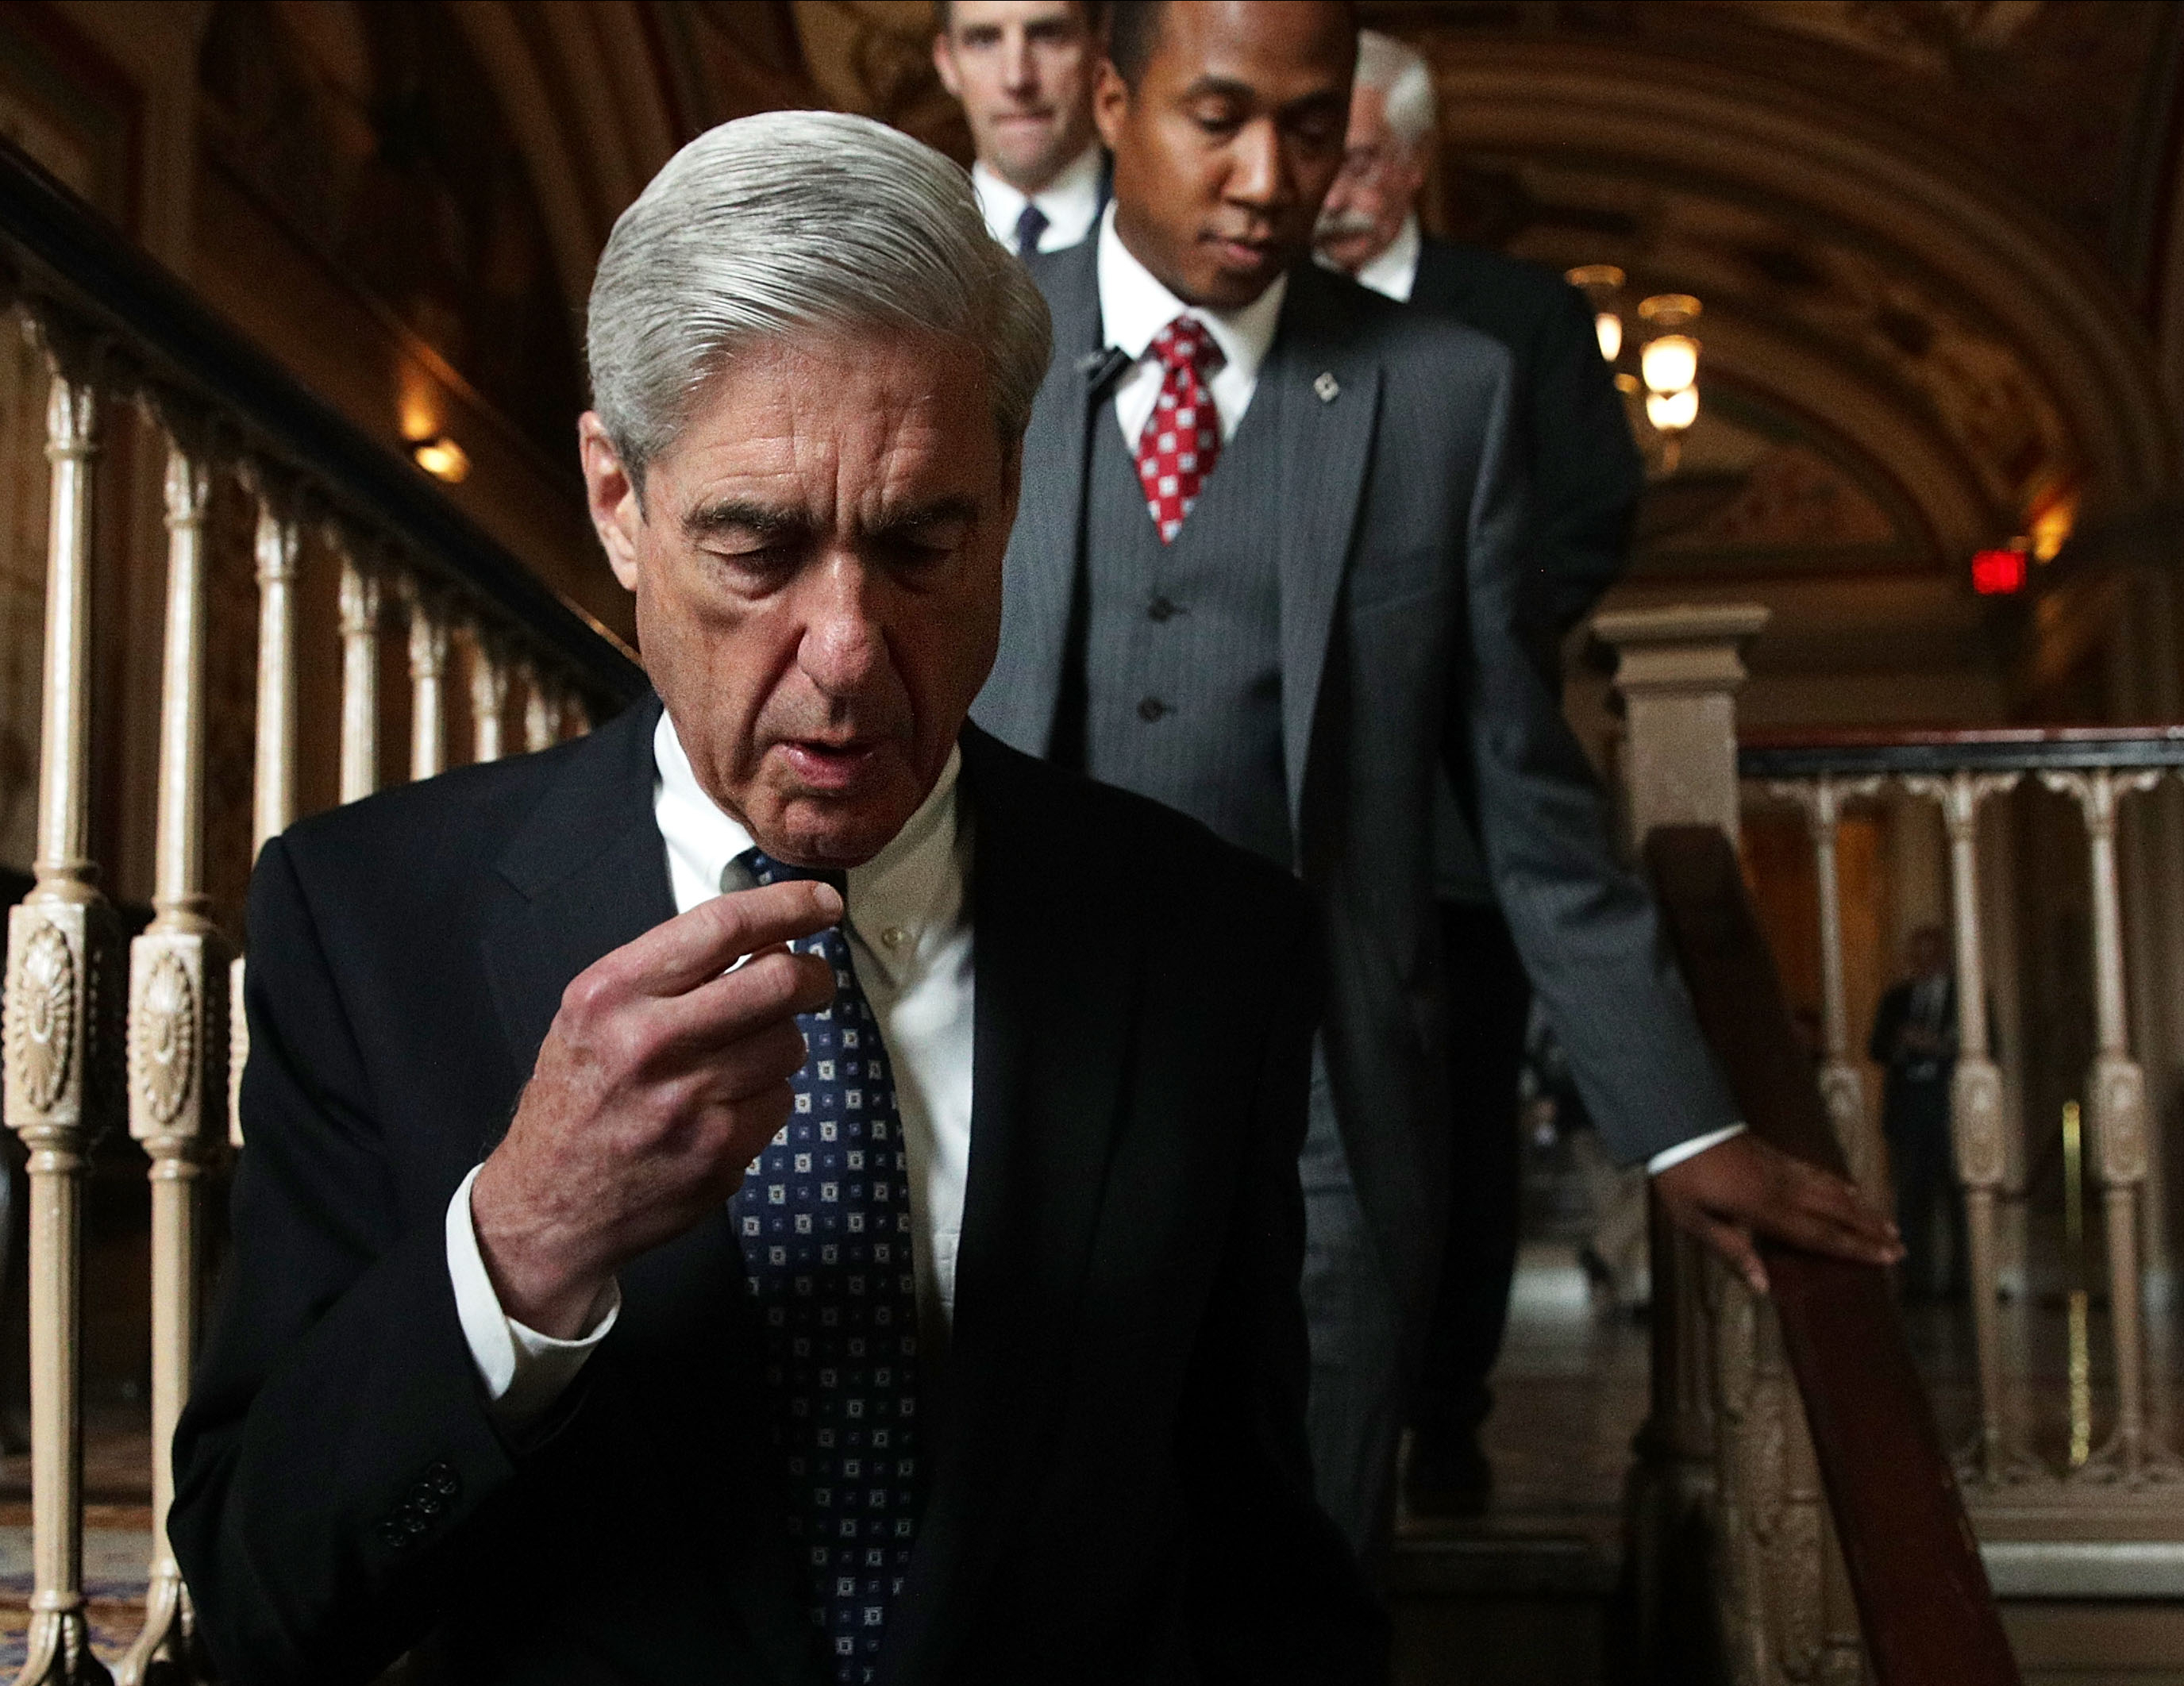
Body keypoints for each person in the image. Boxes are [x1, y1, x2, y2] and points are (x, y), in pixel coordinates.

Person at [171, 110, 1381, 1686]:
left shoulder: (1205, 948)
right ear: (619, 499)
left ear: (1006, 491)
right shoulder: (365, 925)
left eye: (917, 544)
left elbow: (1255, 1565)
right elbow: (261, 1594)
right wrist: (523, 1237)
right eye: (756, 551)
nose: (848, 654)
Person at [969, 0, 1901, 1557]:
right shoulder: (968, 335)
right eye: (1217, 119)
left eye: (1311, 123)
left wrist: (1679, 1125)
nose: (1271, 176)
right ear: (1113, 106)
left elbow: (1530, 812)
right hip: (1014, 1086)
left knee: (1309, 1579)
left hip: (1325, 1107)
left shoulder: (1444, 395)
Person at [1312, 30, 1649, 1515]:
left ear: (1414, 162)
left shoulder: (1513, 320)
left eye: (1358, 156)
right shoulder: (1232, 313)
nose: (1323, 186)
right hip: (1266, 818)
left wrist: (1439, 645)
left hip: (1455, 816)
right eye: (1308, 149)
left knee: (1446, 1142)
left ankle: (1442, 1410)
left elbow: (1586, 514)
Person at [933, 1, 1109, 255]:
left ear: (1099, 50)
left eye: (1047, 35)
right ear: (947, 63)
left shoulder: (1163, 231)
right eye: (984, 40)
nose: (1016, 78)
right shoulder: (912, 246)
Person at [1870, 926, 1963, 1299]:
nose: (1923, 962)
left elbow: (1986, 1045)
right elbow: (1875, 1047)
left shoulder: (1965, 996)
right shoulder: (1896, 999)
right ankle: (1915, 1284)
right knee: (1910, 1203)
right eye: (1917, 954)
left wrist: (1938, 1046)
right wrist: (1902, 1044)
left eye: (1931, 954)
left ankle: (1962, 1285)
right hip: (1907, 1115)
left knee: (1959, 1203)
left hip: (1951, 1114)